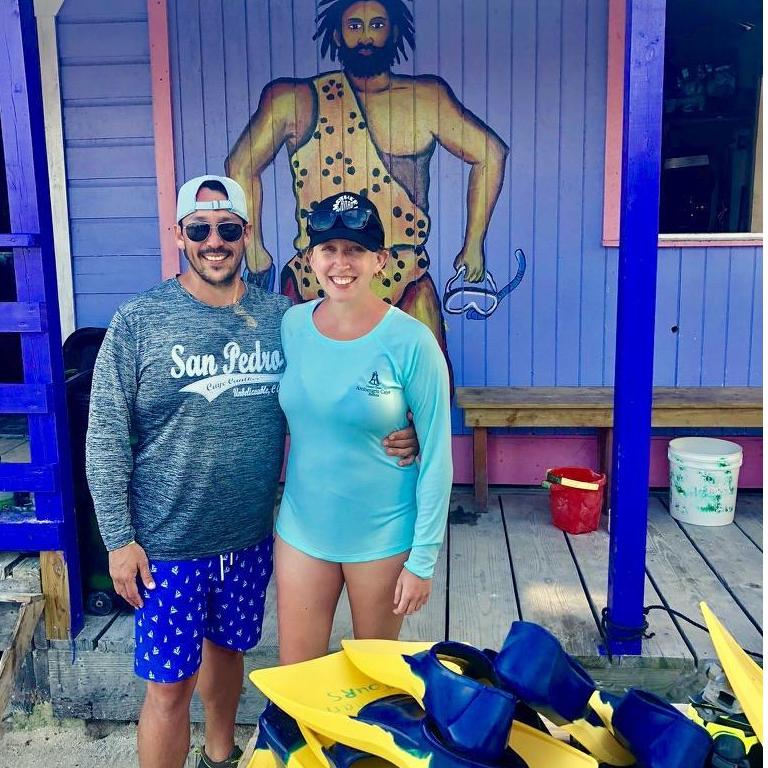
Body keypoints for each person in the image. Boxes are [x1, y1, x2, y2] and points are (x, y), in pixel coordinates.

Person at [85, 175, 418, 768]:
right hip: (166, 545)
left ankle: (220, 756)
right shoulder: (139, 321)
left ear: (246, 235)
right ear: (181, 236)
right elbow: (105, 435)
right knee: (167, 688)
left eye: (228, 228)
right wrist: (118, 539)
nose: (215, 241)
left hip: (249, 539)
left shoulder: (280, 318)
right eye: (200, 229)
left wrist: (396, 422)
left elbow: (336, 378)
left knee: (228, 659)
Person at [225, 0, 508, 367]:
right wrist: (255, 251)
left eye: (376, 24)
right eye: (354, 26)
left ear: (393, 31)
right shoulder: (293, 100)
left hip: (403, 272)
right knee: (313, 390)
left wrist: (474, 246)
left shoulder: (426, 98)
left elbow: (490, 154)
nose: (366, 37)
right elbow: (241, 165)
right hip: (321, 278)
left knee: (426, 384)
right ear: (337, 33)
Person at [275, 191, 452, 664]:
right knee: (299, 683)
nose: (341, 263)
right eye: (328, 249)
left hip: (381, 535)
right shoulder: (290, 326)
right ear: (309, 258)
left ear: (379, 260)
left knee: (373, 686)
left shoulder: (412, 341)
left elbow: (437, 456)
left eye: (354, 249)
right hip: (301, 531)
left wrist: (423, 560)